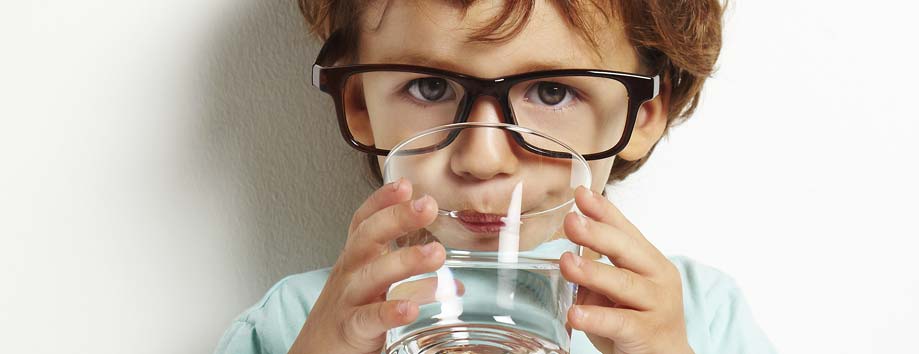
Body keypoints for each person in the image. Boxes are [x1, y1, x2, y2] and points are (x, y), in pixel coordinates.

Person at [214, 1, 776, 353]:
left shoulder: (696, 317)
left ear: (640, 115)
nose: (482, 158)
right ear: (358, 101)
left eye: (552, 92)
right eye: (430, 87)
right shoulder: (302, 321)